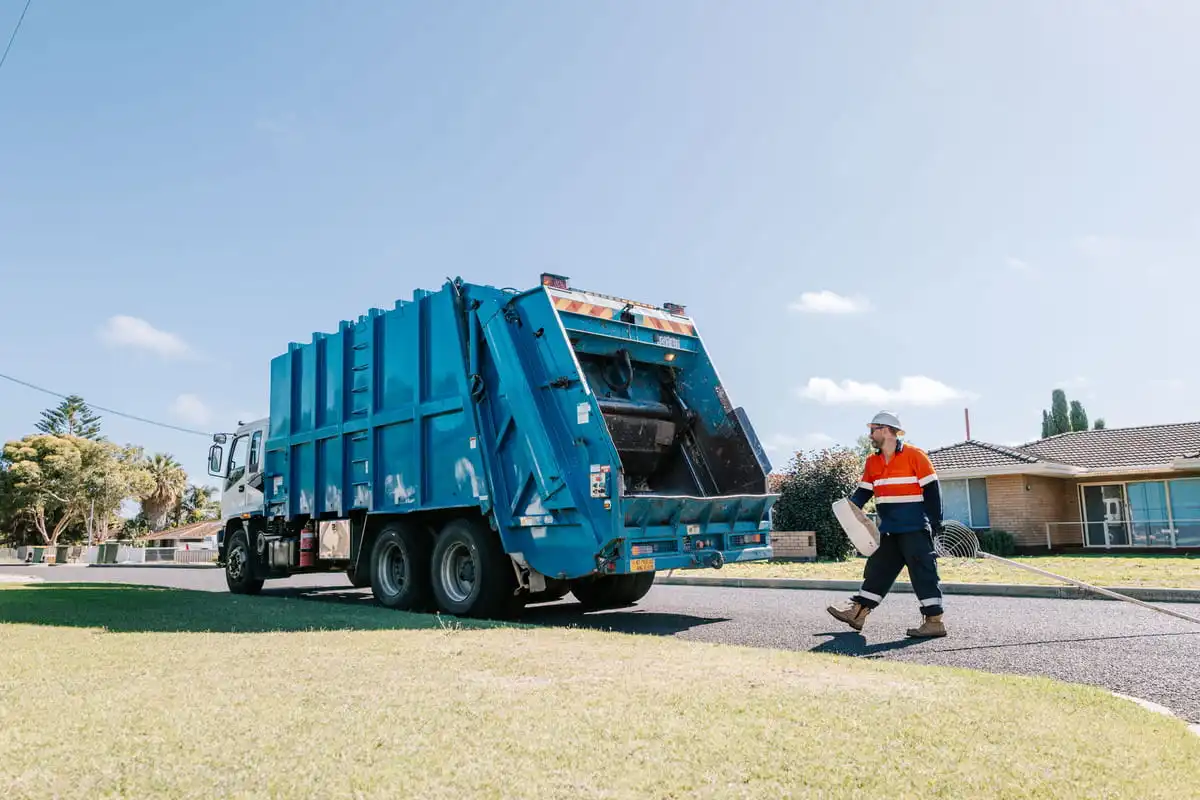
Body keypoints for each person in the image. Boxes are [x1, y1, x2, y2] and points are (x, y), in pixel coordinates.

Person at [827, 411, 947, 638]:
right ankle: (858, 613)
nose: (870, 434)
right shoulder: (872, 462)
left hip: (914, 529)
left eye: (872, 429)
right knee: (877, 570)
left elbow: (932, 491)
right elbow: (863, 493)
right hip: (889, 531)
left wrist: (936, 523)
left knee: (923, 574)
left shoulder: (915, 456)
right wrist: (848, 514)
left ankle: (934, 622)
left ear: (885, 430)